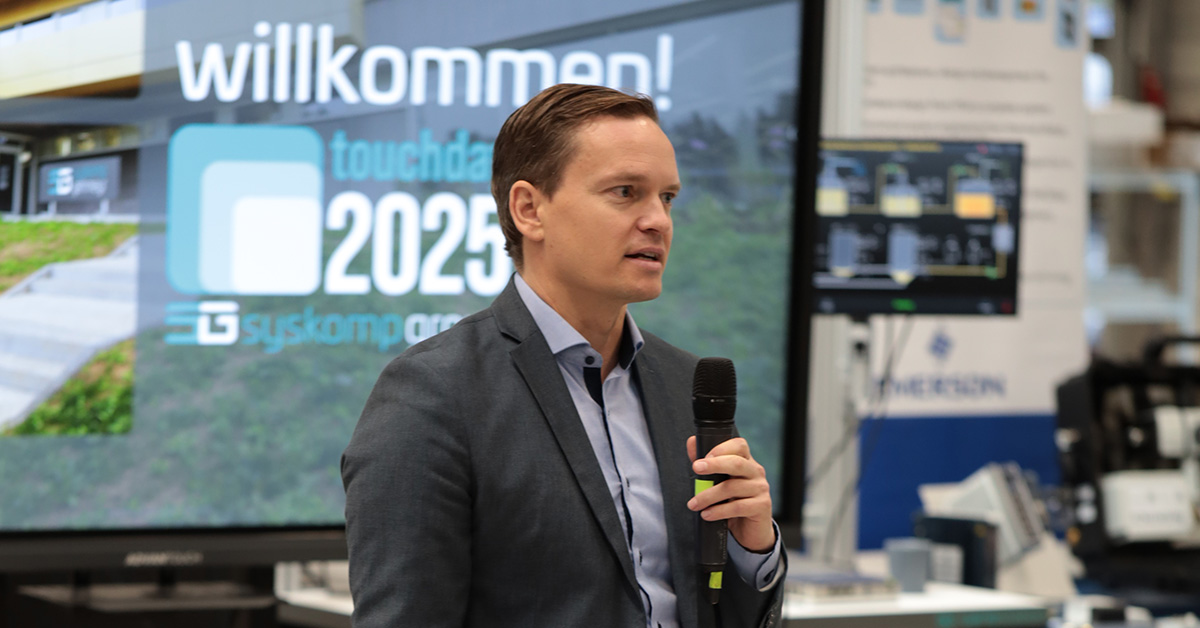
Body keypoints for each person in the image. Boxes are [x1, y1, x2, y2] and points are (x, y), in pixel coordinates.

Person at [341, 83, 785, 628]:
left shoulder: (687, 384)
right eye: (625, 192)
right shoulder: (432, 396)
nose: (658, 220)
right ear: (529, 209)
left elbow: (719, 610)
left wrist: (752, 549)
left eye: (667, 197)